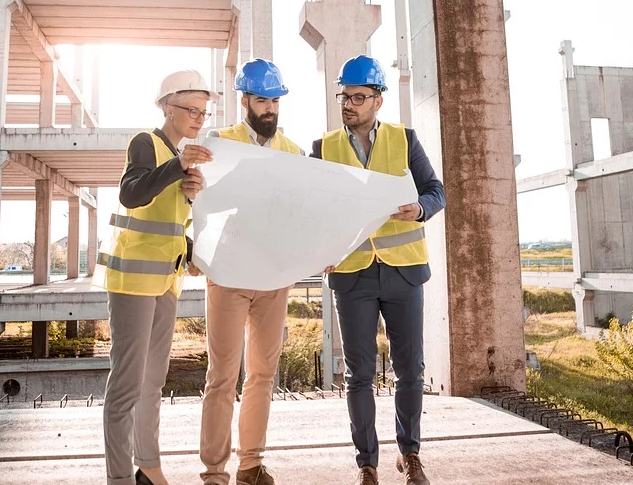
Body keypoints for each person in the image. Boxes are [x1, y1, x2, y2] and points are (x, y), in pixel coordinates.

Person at [310, 55, 446, 485]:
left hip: (403, 271)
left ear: (378, 100)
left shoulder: (405, 140)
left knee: (410, 369)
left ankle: (410, 454)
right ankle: (366, 463)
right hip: (352, 274)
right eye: (344, 96)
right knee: (360, 374)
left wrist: (420, 208)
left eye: (358, 97)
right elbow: (312, 209)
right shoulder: (323, 147)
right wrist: (320, 249)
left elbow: (436, 191)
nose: (348, 104)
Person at [94, 70, 218, 485]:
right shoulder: (145, 142)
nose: (199, 117)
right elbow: (131, 193)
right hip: (132, 282)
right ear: (168, 107)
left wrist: (187, 193)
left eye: (204, 111)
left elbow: (167, 222)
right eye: (191, 109)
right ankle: (119, 479)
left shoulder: (179, 155)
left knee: (152, 382)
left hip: (166, 282)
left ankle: (148, 467)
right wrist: (177, 167)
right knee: (127, 385)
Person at [182, 58, 302, 485]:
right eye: (262, 100)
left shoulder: (292, 152)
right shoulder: (220, 142)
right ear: (245, 100)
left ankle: (250, 463)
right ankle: (215, 470)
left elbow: (302, 214)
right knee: (221, 375)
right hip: (230, 276)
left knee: (262, 375)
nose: (270, 109)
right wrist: (191, 244)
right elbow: (195, 200)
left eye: (275, 101)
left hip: (273, 278)